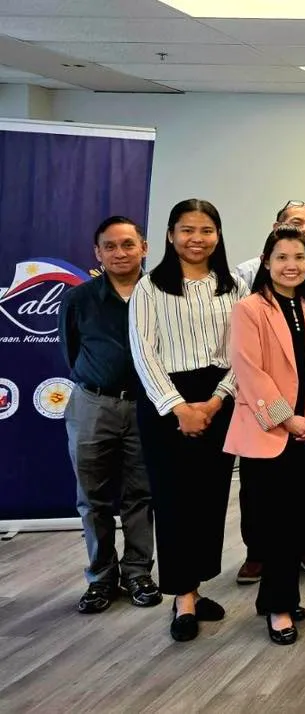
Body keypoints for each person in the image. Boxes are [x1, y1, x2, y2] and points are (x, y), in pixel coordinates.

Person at [129, 198, 248, 642]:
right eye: (186, 230)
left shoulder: (233, 284)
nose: (196, 239)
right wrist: (179, 407)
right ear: (169, 235)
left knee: (210, 497)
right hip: (166, 405)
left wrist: (217, 401)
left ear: (217, 235)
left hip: (220, 398)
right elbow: (144, 352)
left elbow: (242, 351)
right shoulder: (149, 287)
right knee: (174, 499)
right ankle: (181, 596)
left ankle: (196, 585)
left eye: (206, 230)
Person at [223, 227, 305, 645]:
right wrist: (287, 419)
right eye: (282, 258)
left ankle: (281, 594)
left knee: (301, 521)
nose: (291, 266)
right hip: (268, 432)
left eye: (299, 258)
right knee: (274, 524)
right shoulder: (249, 309)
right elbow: (249, 374)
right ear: (266, 262)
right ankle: (278, 606)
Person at [60, 216, 161, 615]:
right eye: (110, 246)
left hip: (147, 406)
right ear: (97, 253)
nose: (120, 253)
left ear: (144, 248)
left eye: (128, 244)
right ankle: (100, 578)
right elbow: (71, 351)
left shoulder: (162, 295)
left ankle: (138, 573)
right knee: (93, 498)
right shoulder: (79, 298)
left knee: (141, 495)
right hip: (93, 404)